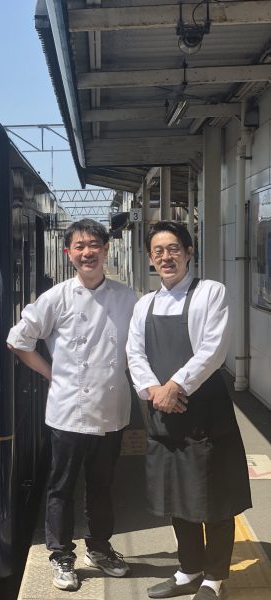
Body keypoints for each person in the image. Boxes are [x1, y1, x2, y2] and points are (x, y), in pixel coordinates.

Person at [7, 219, 137, 591]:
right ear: (68, 253)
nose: (87, 252)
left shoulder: (127, 298)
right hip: (67, 412)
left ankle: (99, 548)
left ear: (106, 249)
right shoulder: (57, 297)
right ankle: (61, 556)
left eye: (94, 245)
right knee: (61, 487)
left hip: (112, 409)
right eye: (79, 246)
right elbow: (18, 340)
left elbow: (140, 346)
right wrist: (52, 375)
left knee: (102, 485)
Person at [126, 221, 252, 600]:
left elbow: (213, 349)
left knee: (215, 498)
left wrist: (175, 386)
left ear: (189, 252)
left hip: (205, 410)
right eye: (158, 251)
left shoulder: (211, 292)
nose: (166, 257)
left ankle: (214, 578)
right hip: (163, 412)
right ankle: (188, 570)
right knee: (176, 497)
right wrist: (154, 390)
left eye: (174, 249)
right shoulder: (144, 304)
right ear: (150, 258)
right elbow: (134, 353)